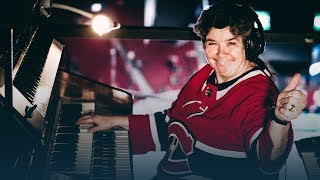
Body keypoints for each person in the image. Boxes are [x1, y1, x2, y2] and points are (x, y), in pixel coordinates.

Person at [76, 1, 307, 180]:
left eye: (231, 43)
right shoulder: (204, 76)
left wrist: (280, 120)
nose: (220, 53)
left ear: (250, 45)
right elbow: (172, 124)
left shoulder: (258, 94)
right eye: (212, 43)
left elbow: (268, 161)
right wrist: (114, 121)